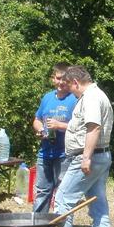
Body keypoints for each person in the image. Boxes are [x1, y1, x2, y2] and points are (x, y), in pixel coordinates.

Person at [54, 65, 114, 227]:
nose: (72, 93)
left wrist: (86, 158)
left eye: (72, 89)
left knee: (63, 199)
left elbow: (94, 128)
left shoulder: (91, 98)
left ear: (76, 82)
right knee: (98, 203)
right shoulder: (99, 95)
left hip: (89, 157)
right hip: (101, 156)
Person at [31, 63, 77, 213]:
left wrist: (59, 125)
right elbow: (37, 119)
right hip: (45, 152)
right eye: (58, 78)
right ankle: (38, 224)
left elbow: (79, 126)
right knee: (42, 190)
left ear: (70, 80)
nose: (61, 82)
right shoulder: (47, 97)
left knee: (63, 192)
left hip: (64, 154)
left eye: (64, 79)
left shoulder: (74, 99)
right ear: (53, 79)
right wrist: (40, 130)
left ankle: (60, 225)